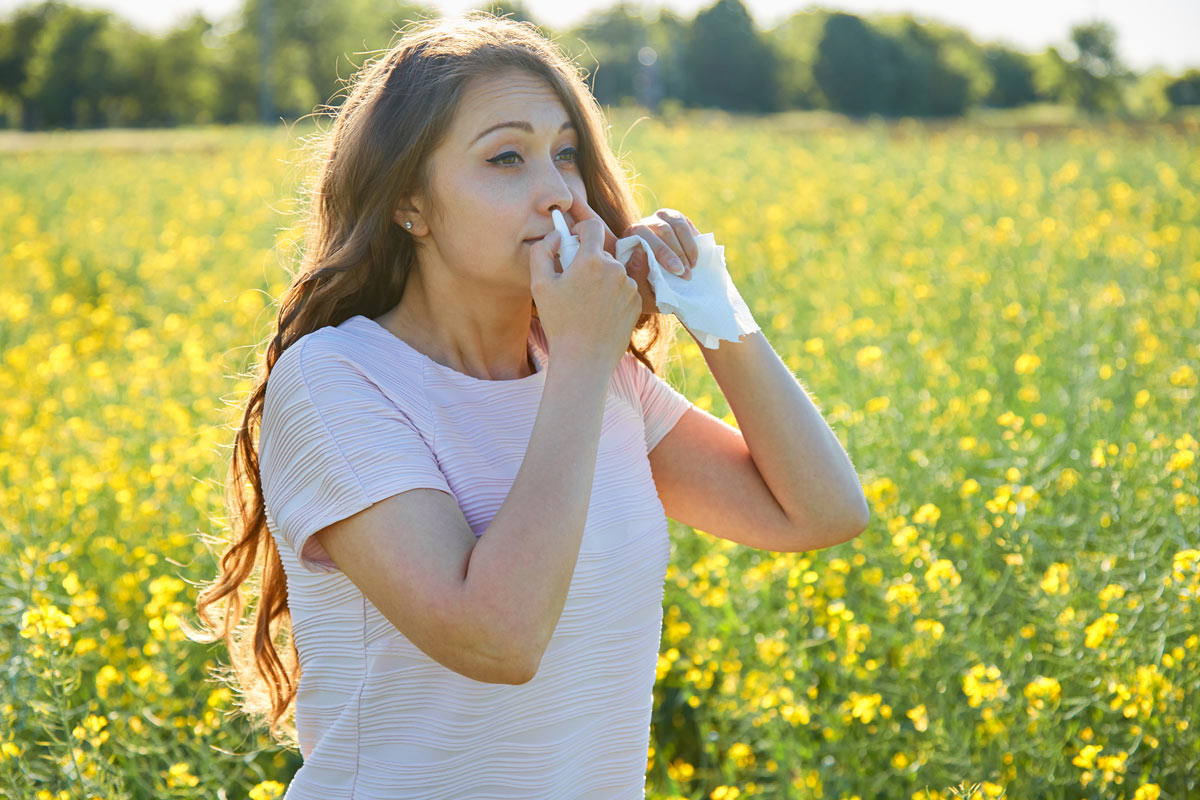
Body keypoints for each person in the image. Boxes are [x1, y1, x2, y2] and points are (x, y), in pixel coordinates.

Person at [187, 12, 870, 799]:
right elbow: (499, 640)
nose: (555, 192)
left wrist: (711, 309)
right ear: (411, 203)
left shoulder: (589, 370)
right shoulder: (338, 381)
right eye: (506, 157)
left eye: (566, 154)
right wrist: (583, 357)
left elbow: (820, 512)